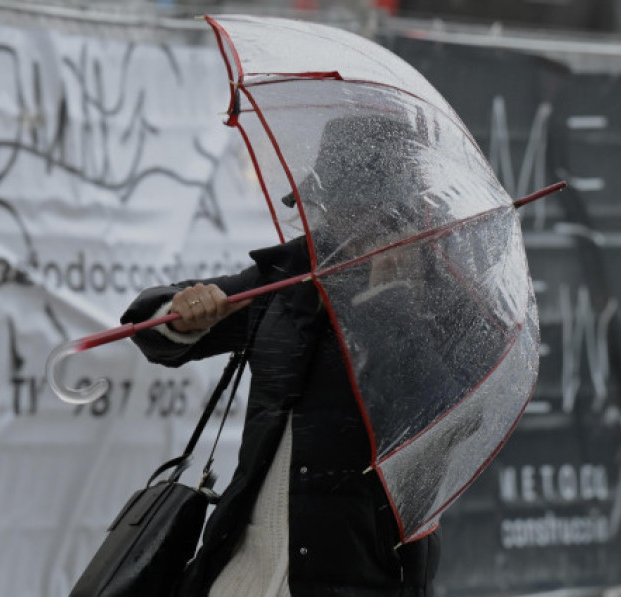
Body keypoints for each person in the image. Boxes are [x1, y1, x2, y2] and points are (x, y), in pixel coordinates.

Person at [119, 114, 451, 597]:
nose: (334, 223)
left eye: (358, 210)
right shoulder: (295, 272)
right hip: (243, 567)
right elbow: (150, 329)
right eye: (329, 205)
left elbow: (437, 421)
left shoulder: (439, 298)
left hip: (359, 573)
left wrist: (392, 306)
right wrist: (181, 313)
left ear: (394, 211)